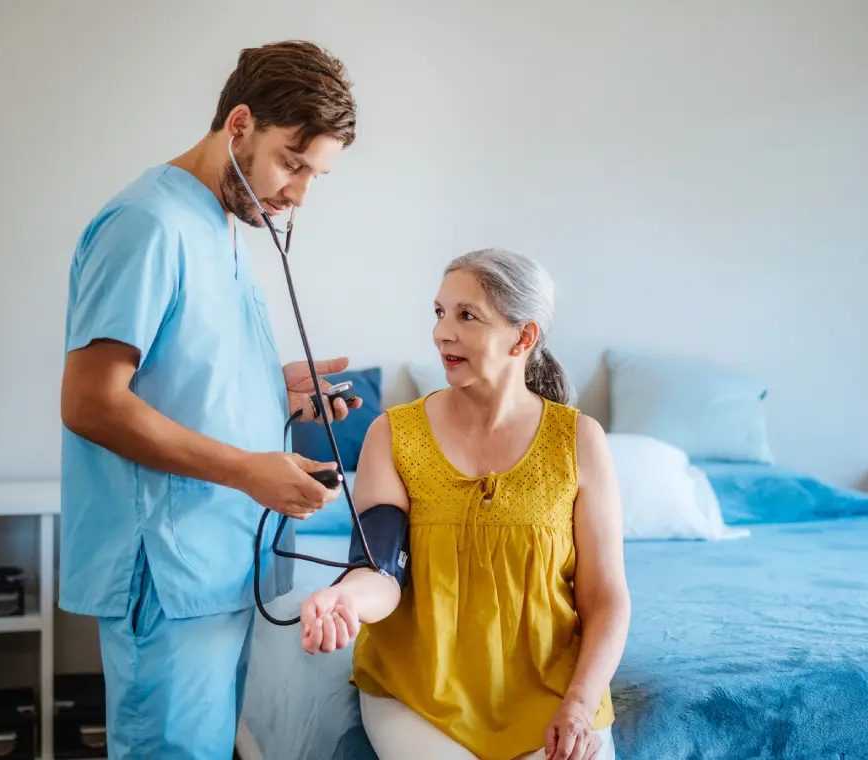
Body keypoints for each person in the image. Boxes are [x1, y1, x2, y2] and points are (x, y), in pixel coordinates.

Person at [58, 41, 361, 759]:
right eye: (292, 163)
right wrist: (248, 469)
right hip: (170, 571)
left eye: (315, 175)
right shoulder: (148, 225)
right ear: (240, 125)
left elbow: (183, 374)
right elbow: (92, 402)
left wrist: (274, 391)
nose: (299, 194)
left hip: (224, 562)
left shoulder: (220, 222)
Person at [299, 249, 632, 760]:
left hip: (554, 690)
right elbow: (380, 571)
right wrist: (344, 599)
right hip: (419, 688)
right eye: (439, 313)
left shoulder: (579, 441)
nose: (441, 333)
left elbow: (605, 598)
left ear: (524, 338)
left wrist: (581, 705)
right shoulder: (392, 434)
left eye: (466, 316)